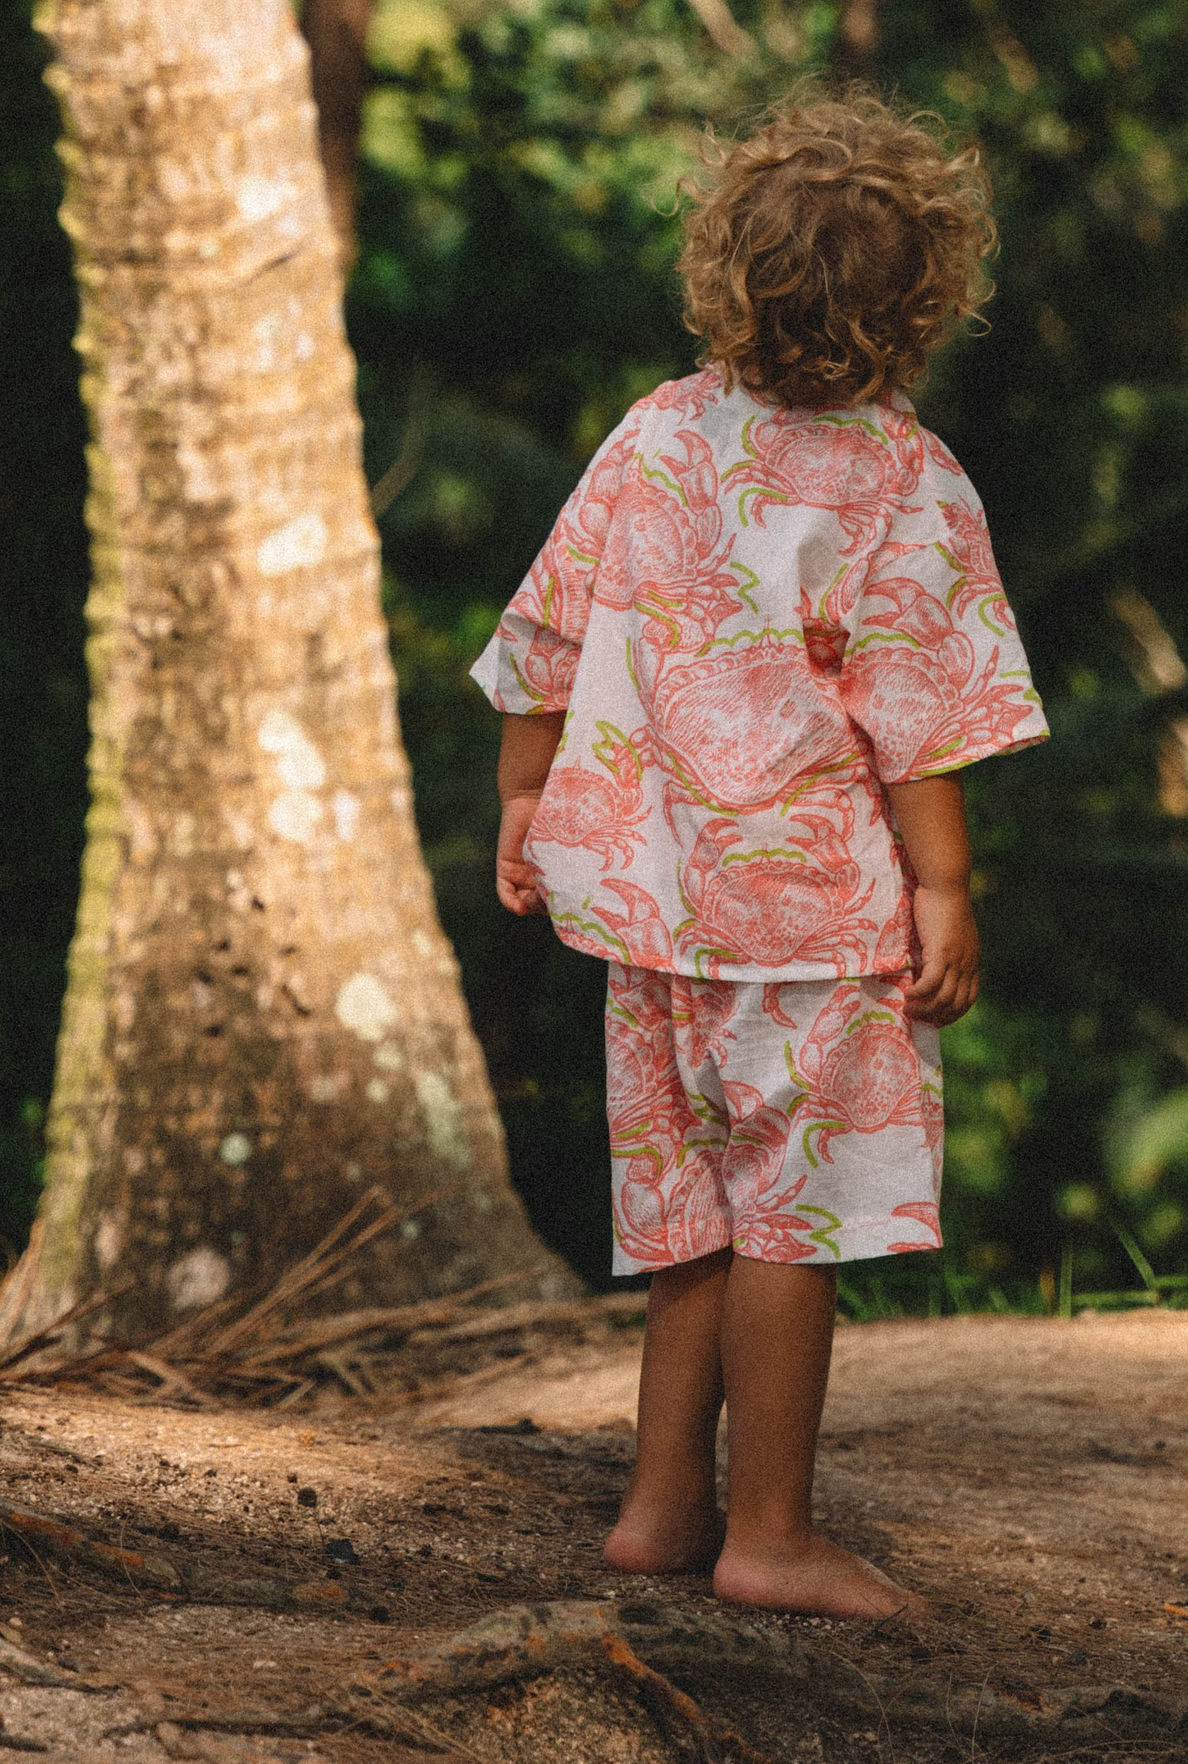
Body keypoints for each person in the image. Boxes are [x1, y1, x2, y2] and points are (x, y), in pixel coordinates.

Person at [475, 90, 1046, 1618]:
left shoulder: (656, 437)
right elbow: (917, 718)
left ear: (725, 273)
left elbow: (546, 632)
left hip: (647, 907)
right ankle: (772, 1535)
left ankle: (661, 1508)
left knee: (688, 1211)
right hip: (808, 931)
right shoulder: (904, 485)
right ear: (923, 302)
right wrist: (942, 886)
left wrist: (526, 807)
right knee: (795, 1219)